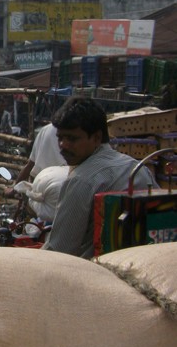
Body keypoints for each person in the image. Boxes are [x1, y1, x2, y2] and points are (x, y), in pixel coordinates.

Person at [43, 97, 157, 259]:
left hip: (97, 272)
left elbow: (59, 250)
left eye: (72, 138)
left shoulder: (82, 180)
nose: (63, 145)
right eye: (60, 138)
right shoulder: (136, 167)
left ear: (96, 138)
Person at [10, 122, 68, 193]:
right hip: (62, 187)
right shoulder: (75, 132)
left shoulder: (44, 130)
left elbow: (30, 165)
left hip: (39, 185)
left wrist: (14, 190)